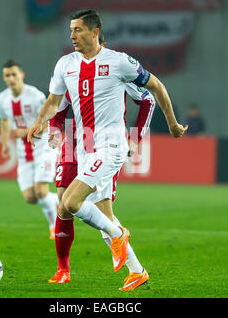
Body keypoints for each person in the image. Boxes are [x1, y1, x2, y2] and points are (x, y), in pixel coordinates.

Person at [27, 10, 187, 290]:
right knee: (102, 213)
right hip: (86, 147)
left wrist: (171, 123)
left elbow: (156, 87)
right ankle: (137, 271)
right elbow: (54, 101)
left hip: (111, 146)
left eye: (77, 30)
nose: (72, 35)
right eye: (70, 30)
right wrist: (40, 122)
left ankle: (118, 234)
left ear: (94, 31)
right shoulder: (65, 64)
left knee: (70, 204)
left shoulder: (119, 62)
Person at [46, 34, 156, 290]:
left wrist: (135, 138)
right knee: (65, 204)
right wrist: (54, 128)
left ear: (101, 45)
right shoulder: (71, 68)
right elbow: (58, 106)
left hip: (105, 145)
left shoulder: (115, 70)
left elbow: (148, 100)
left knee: (100, 211)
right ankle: (63, 268)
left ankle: (136, 269)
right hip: (74, 143)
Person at [0, 59, 59, 240]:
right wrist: (4, 144)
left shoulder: (35, 96)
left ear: (21, 75)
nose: (11, 78)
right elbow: (4, 121)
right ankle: (62, 200)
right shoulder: (2, 98)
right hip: (24, 153)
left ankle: (54, 226)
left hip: (44, 146)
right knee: (30, 197)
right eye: (7, 76)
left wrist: (24, 132)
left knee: (41, 191)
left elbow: (50, 121)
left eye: (14, 74)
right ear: (4, 78)